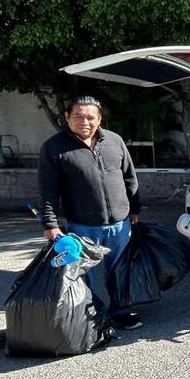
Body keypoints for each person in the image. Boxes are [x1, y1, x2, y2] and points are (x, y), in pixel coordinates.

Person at [38, 96, 143, 330]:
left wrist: (135, 208)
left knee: (120, 271)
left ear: (99, 119)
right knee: (84, 276)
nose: (84, 121)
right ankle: (91, 317)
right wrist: (50, 224)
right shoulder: (54, 148)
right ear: (66, 117)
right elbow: (48, 191)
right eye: (78, 116)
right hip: (82, 225)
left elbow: (129, 176)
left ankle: (122, 311)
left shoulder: (114, 141)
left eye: (90, 117)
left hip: (120, 223)